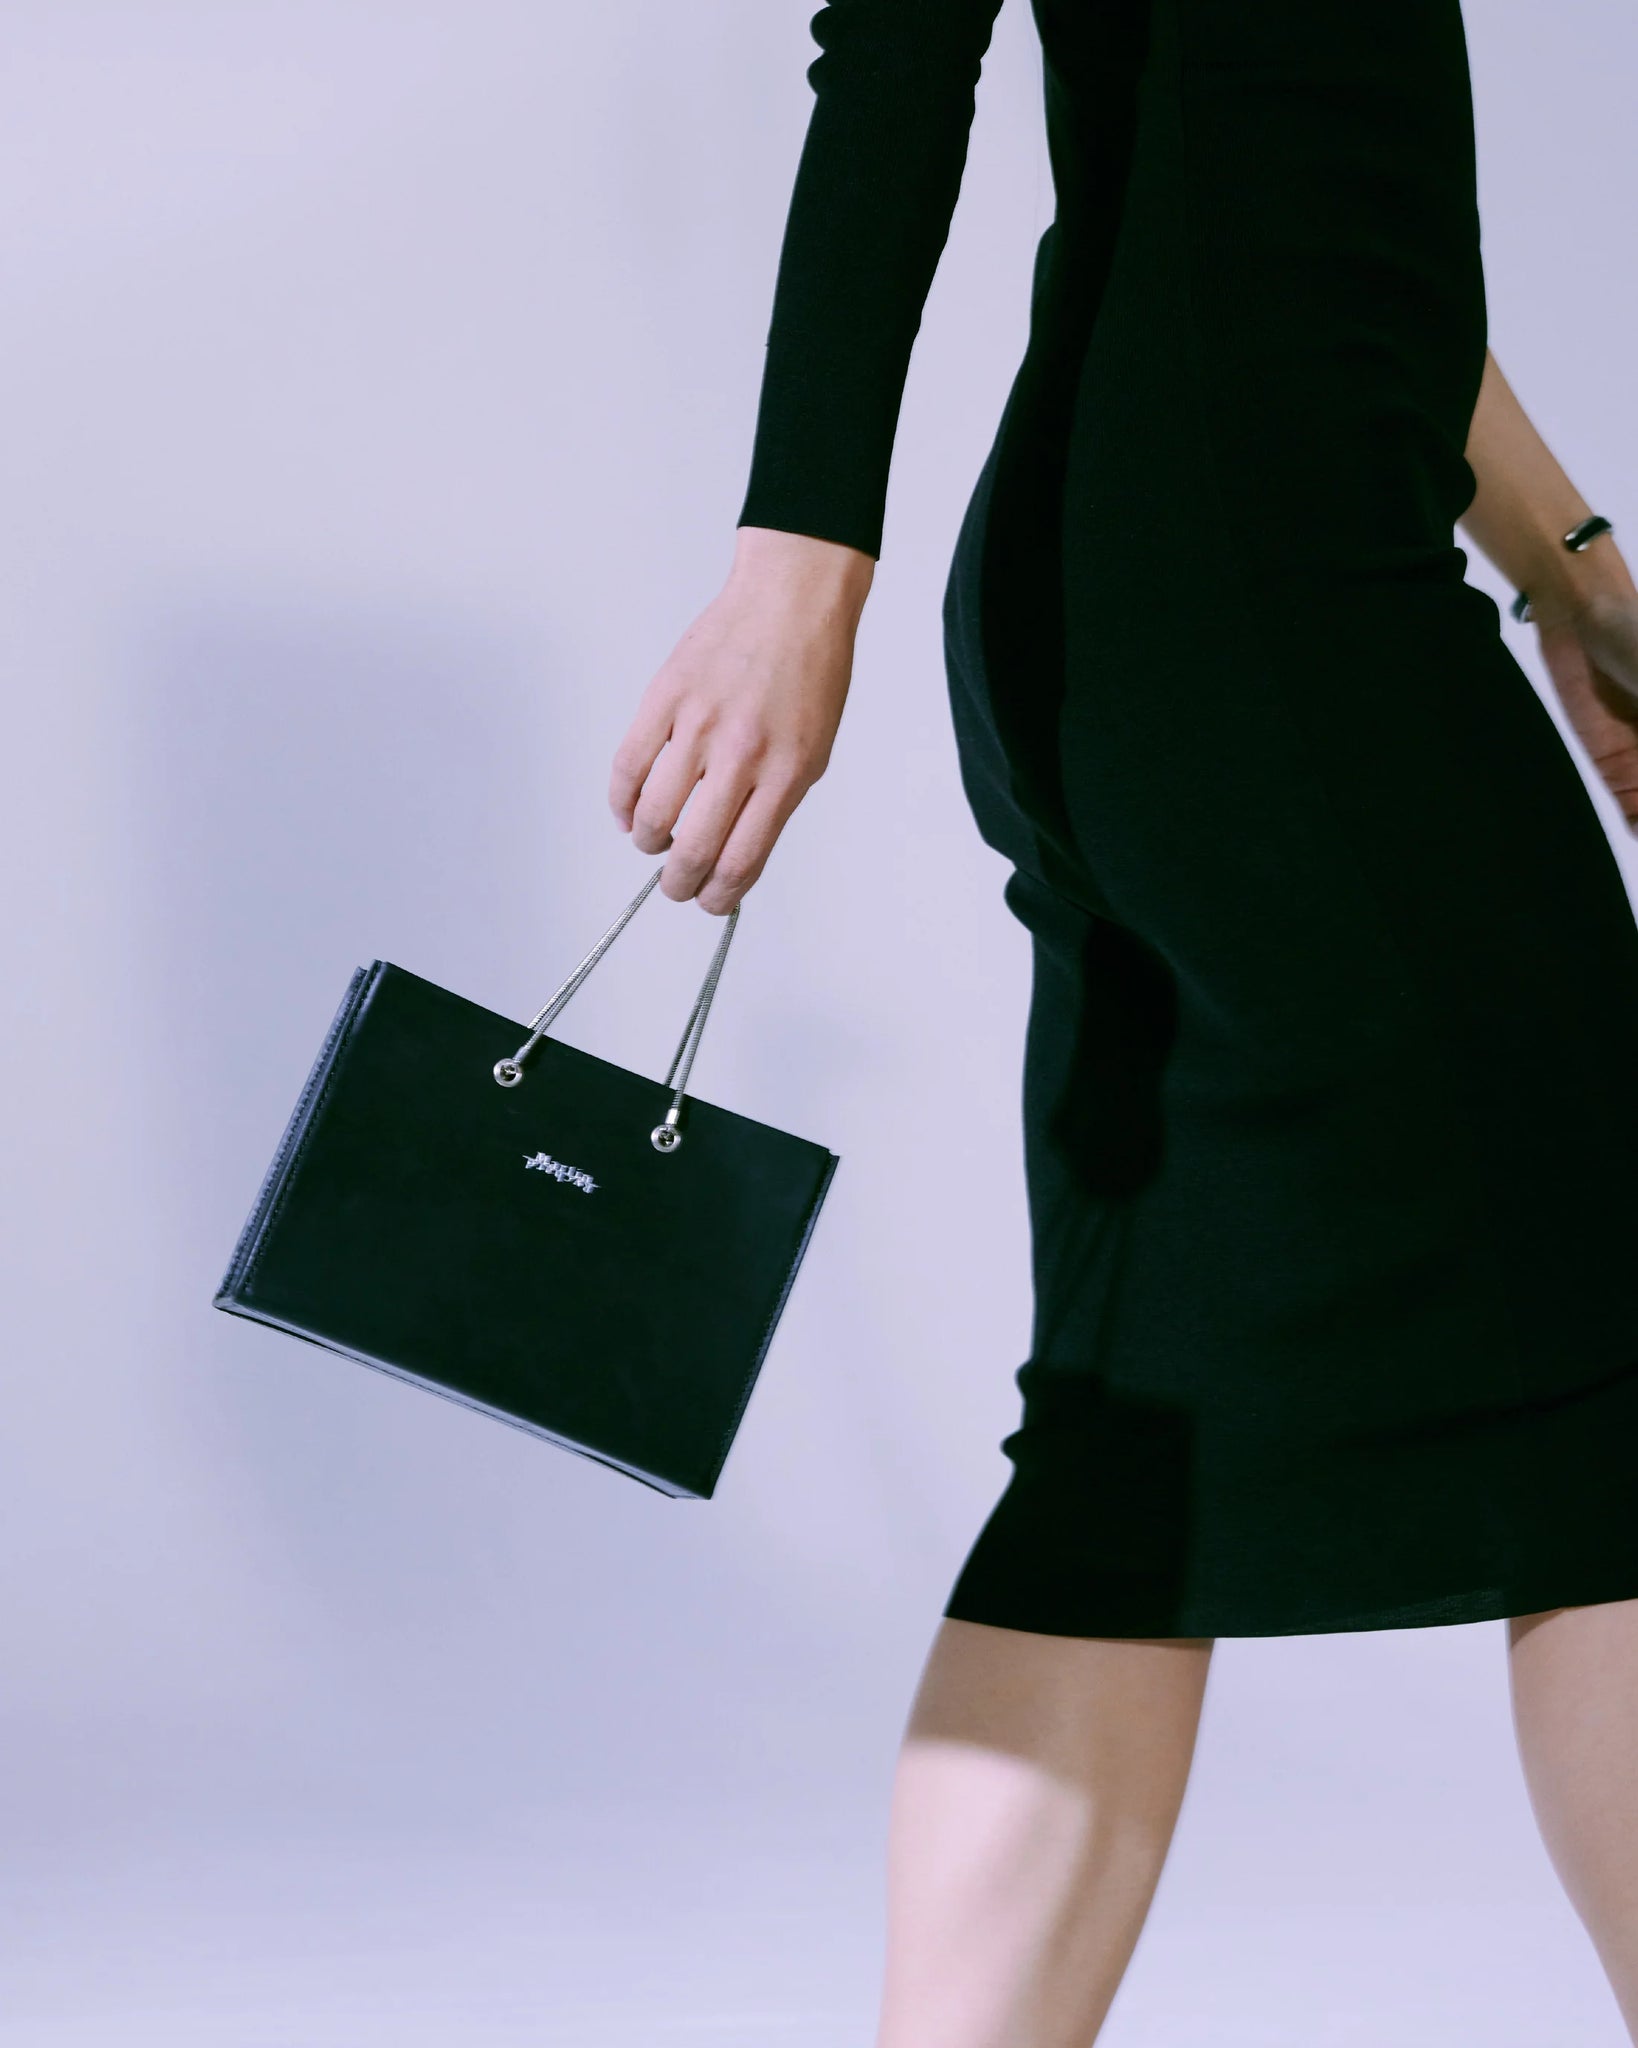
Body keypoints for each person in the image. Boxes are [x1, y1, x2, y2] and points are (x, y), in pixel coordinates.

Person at [607, 1, 1638, 2039]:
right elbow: (896, 50)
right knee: (1611, 1362)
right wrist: (791, 572)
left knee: (1130, 1431)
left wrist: (1566, 564)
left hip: (1192, 592)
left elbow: (1321, 170)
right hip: (1264, 609)